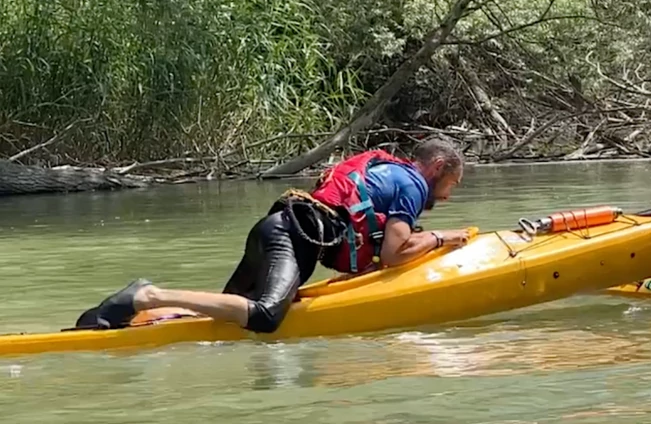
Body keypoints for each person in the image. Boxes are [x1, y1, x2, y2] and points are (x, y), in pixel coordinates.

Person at [75, 137, 472, 333]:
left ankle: (127, 320)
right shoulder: (412, 184)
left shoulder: (386, 172)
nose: (448, 195)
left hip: (279, 226)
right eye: (451, 184)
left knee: (226, 315)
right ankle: (148, 295)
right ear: (437, 167)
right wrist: (442, 238)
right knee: (265, 317)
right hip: (291, 238)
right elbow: (394, 253)